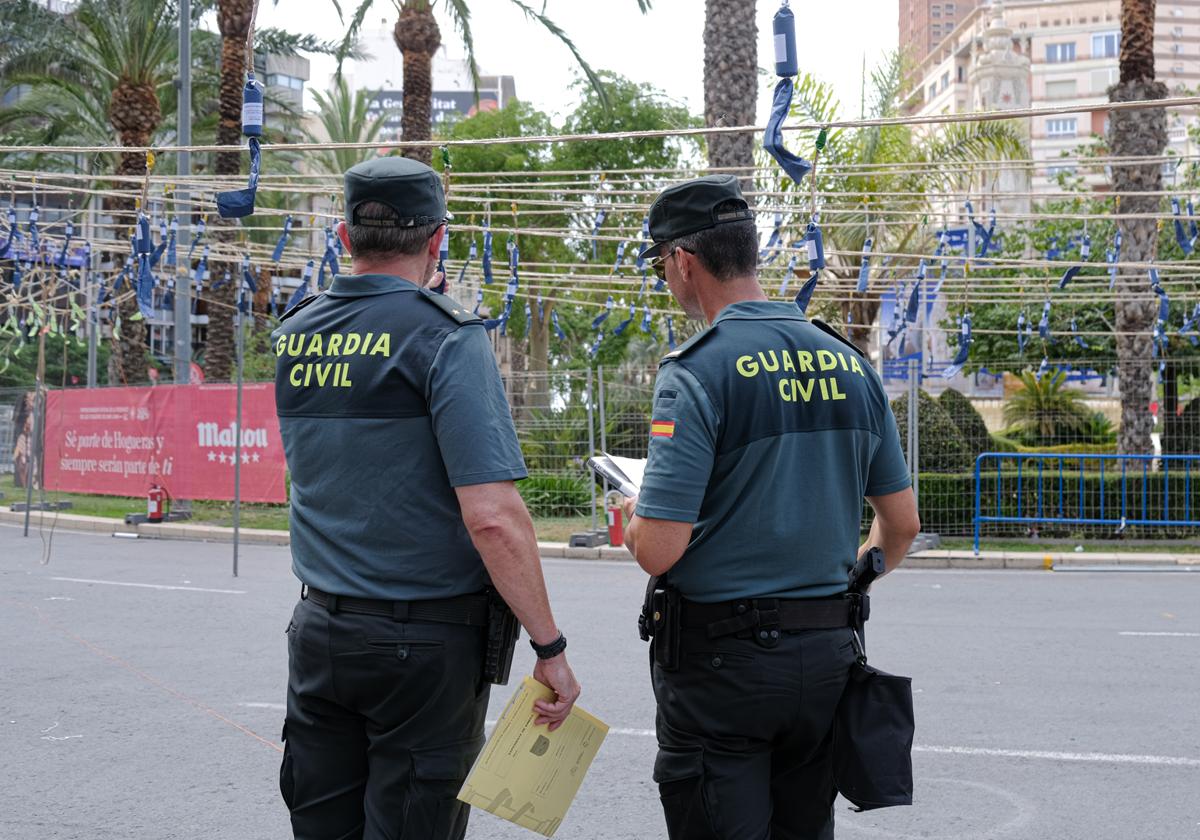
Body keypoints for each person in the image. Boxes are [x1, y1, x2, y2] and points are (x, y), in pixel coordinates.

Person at [271, 156, 580, 840]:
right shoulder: (445, 336)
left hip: (320, 634)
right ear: (438, 239)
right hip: (424, 648)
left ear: (344, 238)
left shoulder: (294, 336)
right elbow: (494, 518)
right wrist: (549, 646)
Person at [621, 174, 920, 840]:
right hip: (827, 657)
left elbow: (659, 547)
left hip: (722, 668)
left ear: (682, 262)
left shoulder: (698, 370)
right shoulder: (847, 364)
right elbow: (901, 525)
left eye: (664, 266)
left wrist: (635, 513)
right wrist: (856, 576)